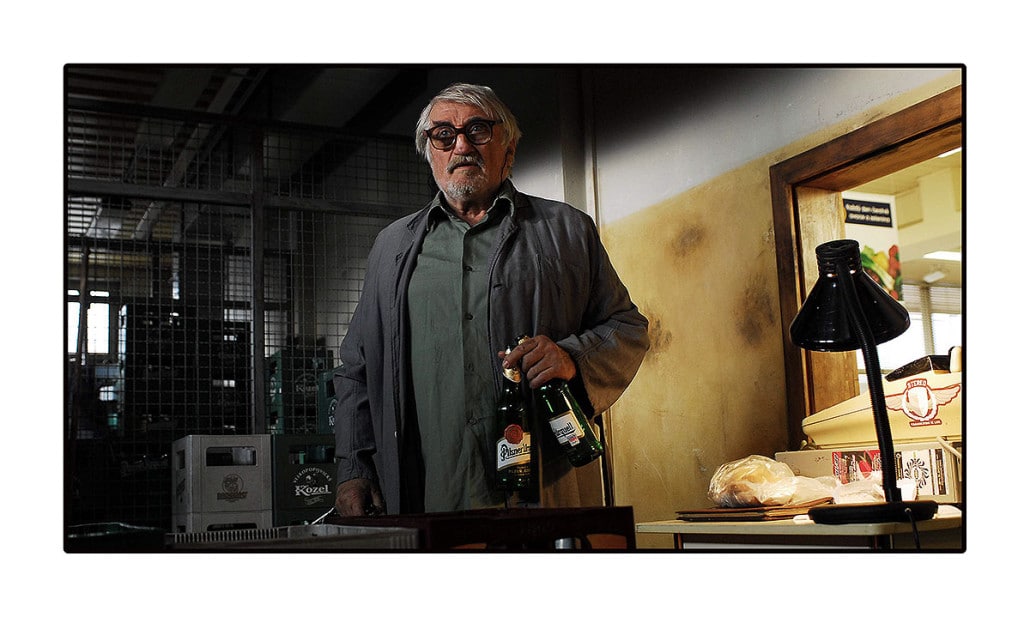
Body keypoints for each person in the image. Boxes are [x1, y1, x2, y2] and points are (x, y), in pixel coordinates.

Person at [333, 82, 649, 516]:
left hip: (544, 489)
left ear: (509, 149)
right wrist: (354, 468)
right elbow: (357, 369)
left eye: (478, 130)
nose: (461, 145)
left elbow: (627, 327)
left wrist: (572, 358)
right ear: (430, 153)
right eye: (444, 135)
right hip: (428, 495)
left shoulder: (567, 230)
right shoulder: (391, 248)